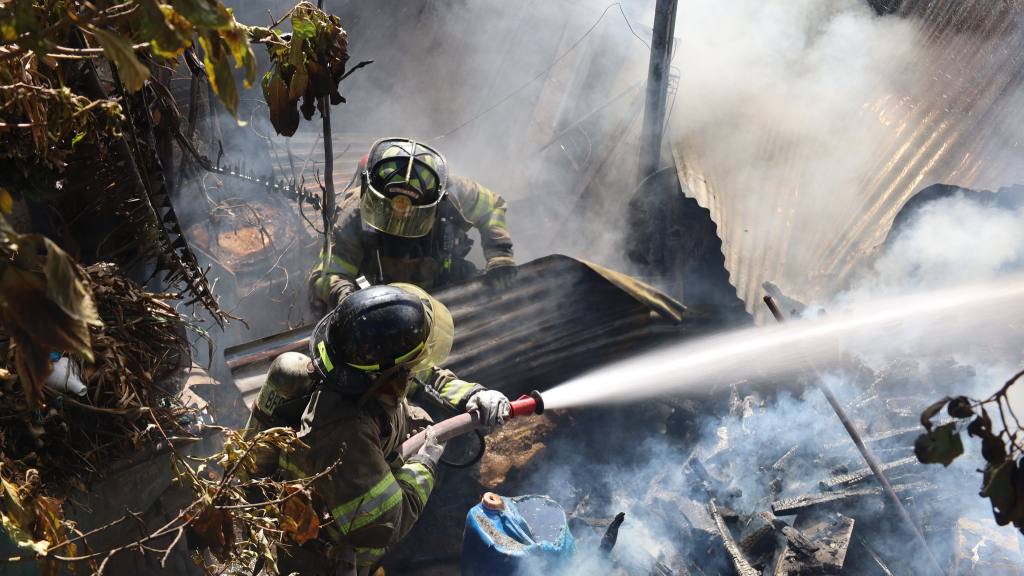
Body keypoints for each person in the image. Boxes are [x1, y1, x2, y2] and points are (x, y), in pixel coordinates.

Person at [275, 283, 510, 574]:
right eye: (407, 371)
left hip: (362, 479)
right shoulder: (346, 436)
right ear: (390, 376)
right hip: (334, 557)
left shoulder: (357, 368)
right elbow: (389, 522)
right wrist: (426, 460)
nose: (412, 374)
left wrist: (471, 394)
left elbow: (424, 374)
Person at [308, 138, 516, 311]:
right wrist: (346, 297)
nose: (400, 221)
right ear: (371, 195)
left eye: (411, 215)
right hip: (377, 298)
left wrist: (500, 254)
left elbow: (492, 206)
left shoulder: (452, 192)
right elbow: (327, 276)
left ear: (435, 199)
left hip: (442, 282)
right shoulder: (353, 213)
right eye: (388, 211)